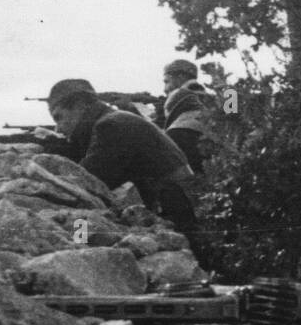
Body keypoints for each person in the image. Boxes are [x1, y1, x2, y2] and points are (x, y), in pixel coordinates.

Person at [40, 78, 200, 240]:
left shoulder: (111, 126)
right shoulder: (116, 120)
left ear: (80, 105)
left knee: (80, 233)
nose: (58, 128)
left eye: (59, 117)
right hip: (184, 213)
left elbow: (85, 184)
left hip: (183, 219)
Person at [153, 59, 219, 175]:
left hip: (178, 136)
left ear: (180, 77)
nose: (165, 89)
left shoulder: (178, 97)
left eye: (167, 81)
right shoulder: (214, 99)